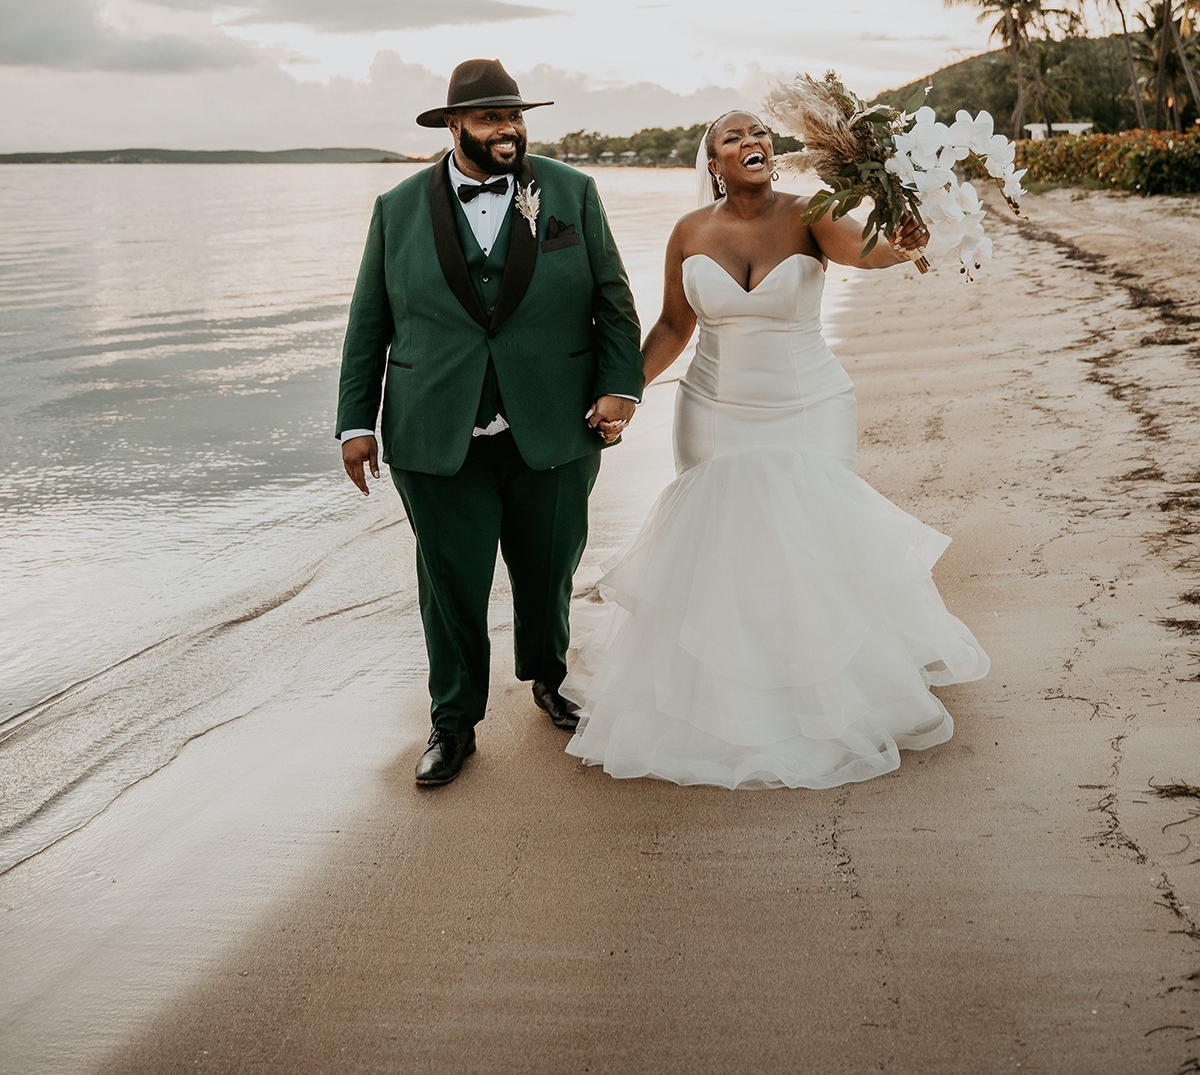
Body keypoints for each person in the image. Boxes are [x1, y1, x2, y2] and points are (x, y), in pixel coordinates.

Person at [563, 111, 989, 789]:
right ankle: (735, 691)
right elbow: (675, 325)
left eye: (758, 133)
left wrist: (904, 245)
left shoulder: (810, 213)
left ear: (773, 153)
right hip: (712, 409)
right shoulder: (688, 233)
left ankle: (826, 688)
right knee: (724, 545)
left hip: (807, 407)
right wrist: (625, 391)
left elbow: (866, 251)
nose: (750, 142)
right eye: (731, 138)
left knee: (809, 542)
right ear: (713, 164)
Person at [337, 59, 643, 787]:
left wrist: (620, 387)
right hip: (433, 431)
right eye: (490, 119)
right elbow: (368, 323)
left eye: (515, 117)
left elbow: (614, 298)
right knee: (450, 585)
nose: (509, 130)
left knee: (549, 570)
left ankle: (550, 680)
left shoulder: (571, 192)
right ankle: (453, 723)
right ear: (454, 127)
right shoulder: (396, 208)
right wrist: (355, 422)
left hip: (554, 424)